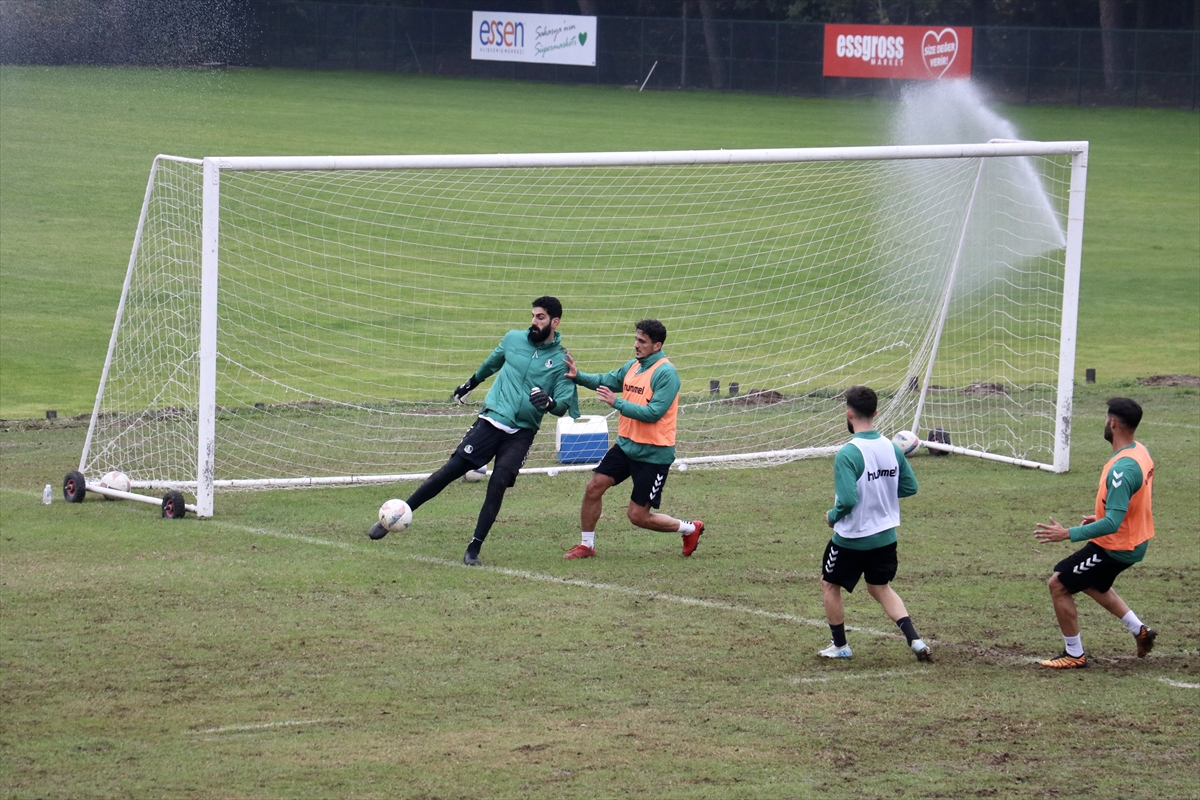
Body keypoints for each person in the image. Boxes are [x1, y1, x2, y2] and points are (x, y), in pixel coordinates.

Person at [368, 296, 579, 567]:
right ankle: (395, 516)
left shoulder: (562, 360)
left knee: (498, 483)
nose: (534, 322)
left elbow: (563, 406)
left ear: (555, 322)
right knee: (450, 470)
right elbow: (492, 362)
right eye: (533, 316)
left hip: (522, 431)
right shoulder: (514, 339)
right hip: (491, 420)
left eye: (540, 317)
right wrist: (470, 383)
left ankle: (473, 549)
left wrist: (549, 403)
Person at [561, 319, 704, 559]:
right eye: (636, 339)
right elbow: (605, 380)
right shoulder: (633, 366)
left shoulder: (666, 374)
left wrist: (616, 402)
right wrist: (578, 376)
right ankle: (587, 545)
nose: (636, 345)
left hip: (653, 453)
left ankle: (691, 528)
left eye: (642, 341)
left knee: (637, 517)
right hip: (626, 446)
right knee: (594, 487)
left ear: (657, 346)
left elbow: (653, 413)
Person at [1033, 397, 1157, 669]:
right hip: (1134, 538)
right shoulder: (1141, 453)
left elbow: (1112, 523)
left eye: (1105, 418)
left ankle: (1074, 654)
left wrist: (1068, 533)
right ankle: (1140, 630)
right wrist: (1102, 515)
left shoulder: (1121, 469)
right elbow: (1135, 501)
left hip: (1117, 545)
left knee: (1059, 584)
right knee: (1090, 580)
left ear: (1113, 422)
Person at [819, 385, 930, 661]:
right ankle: (914, 639)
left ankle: (840, 646)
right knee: (880, 587)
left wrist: (831, 517)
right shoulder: (892, 447)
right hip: (885, 538)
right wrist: (881, 492)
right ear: (876, 412)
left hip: (851, 539)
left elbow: (846, 500)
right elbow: (910, 487)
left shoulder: (848, 453)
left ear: (848, 414)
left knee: (829, 584)